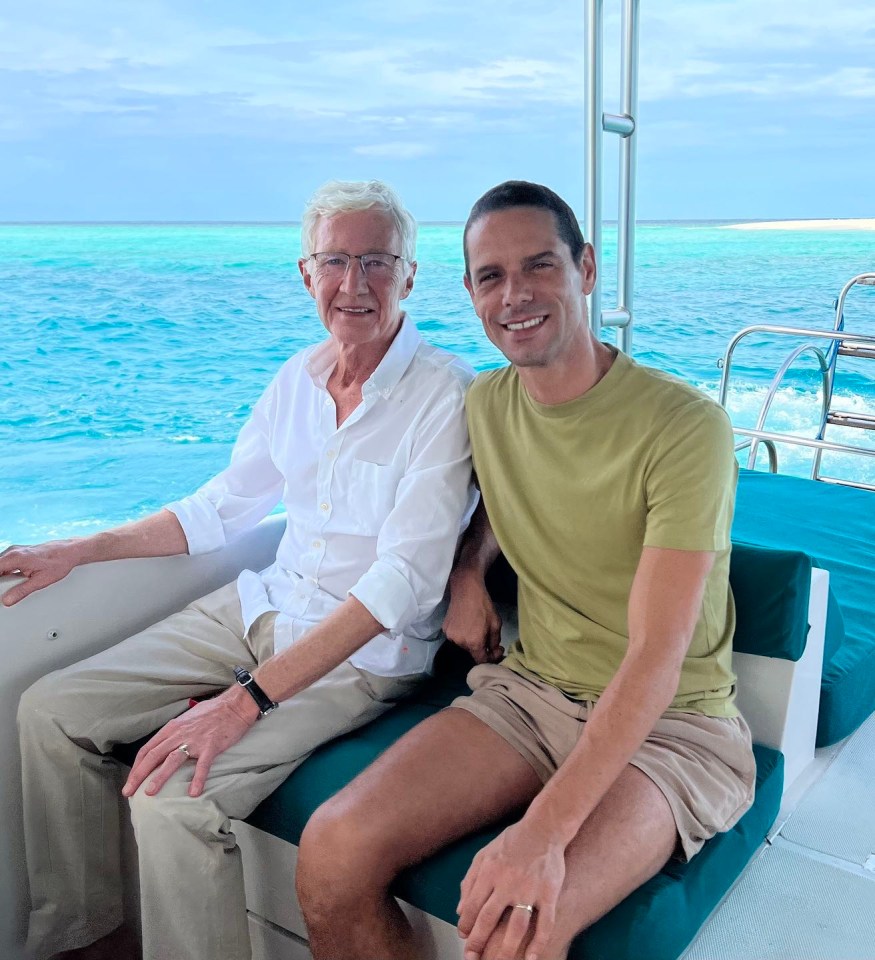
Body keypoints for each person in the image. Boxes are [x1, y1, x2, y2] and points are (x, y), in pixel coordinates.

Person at [6, 179, 476, 960]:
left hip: (361, 654)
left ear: (409, 275)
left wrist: (244, 703)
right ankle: (88, 938)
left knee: (172, 802)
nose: (352, 284)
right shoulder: (296, 379)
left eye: (375, 261)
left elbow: (402, 586)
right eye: (334, 261)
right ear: (305, 273)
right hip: (258, 608)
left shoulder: (443, 397)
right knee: (50, 710)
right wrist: (78, 550)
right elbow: (220, 509)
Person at [295, 181, 757, 960]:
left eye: (538, 266)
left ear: (583, 269)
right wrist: (468, 573)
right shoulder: (484, 407)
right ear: (471, 292)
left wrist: (539, 835)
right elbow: (485, 507)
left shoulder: (685, 429)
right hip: (531, 694)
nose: (515, 295)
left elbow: (656, 654)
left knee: (517, 930)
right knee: (330, 854)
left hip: (673, 725)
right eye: (490, 276)